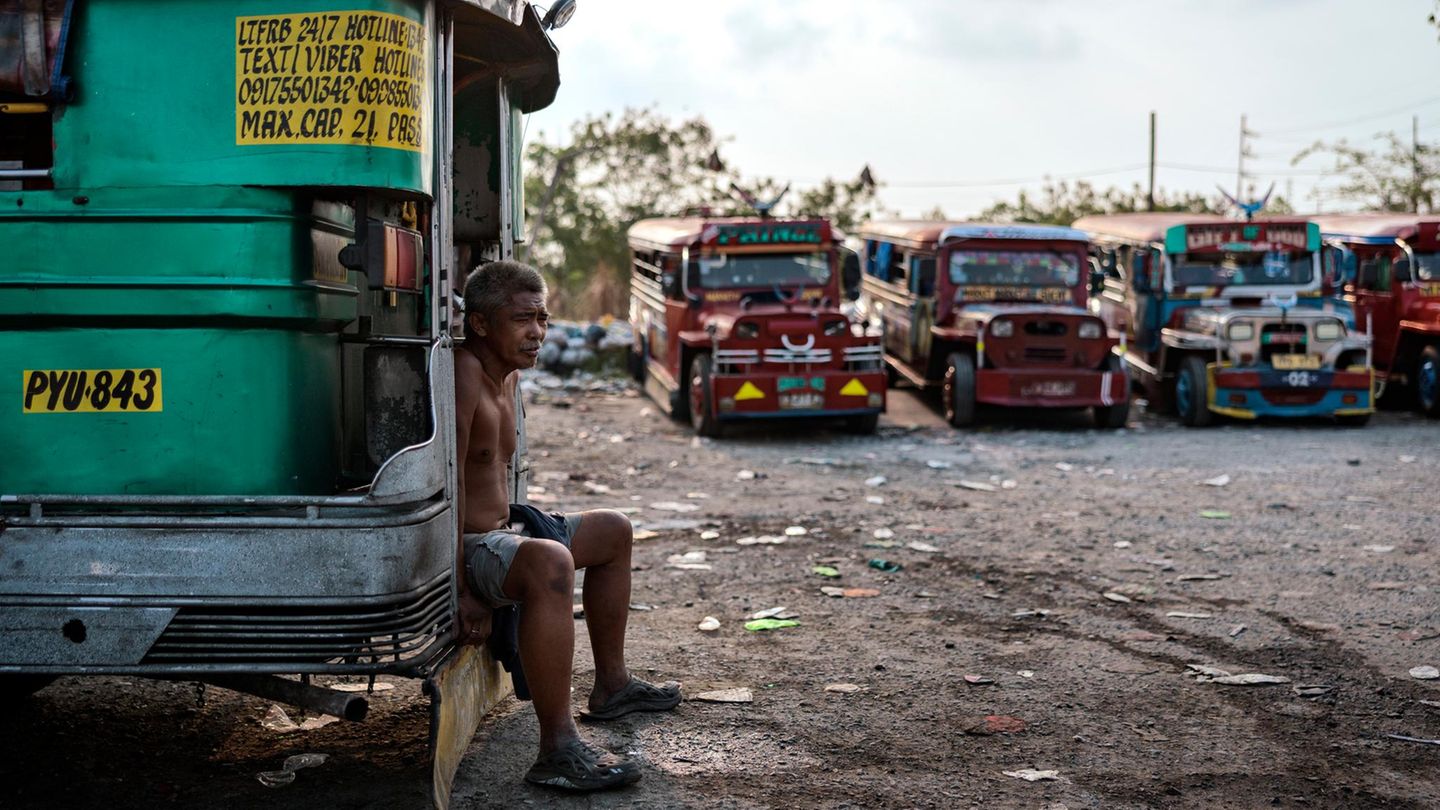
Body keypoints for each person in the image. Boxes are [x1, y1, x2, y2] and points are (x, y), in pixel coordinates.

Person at [453, 260, 681, 791]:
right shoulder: (464, 373)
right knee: (551, 560)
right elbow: (449, 482)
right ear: (482, 323)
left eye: (544, 318)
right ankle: (557, 747)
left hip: (504, 534)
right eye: (523, 319)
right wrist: (460, 589)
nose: (538, 332)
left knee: (614, 530)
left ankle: (612, 686)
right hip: (469, 548)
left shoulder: (506, 376)